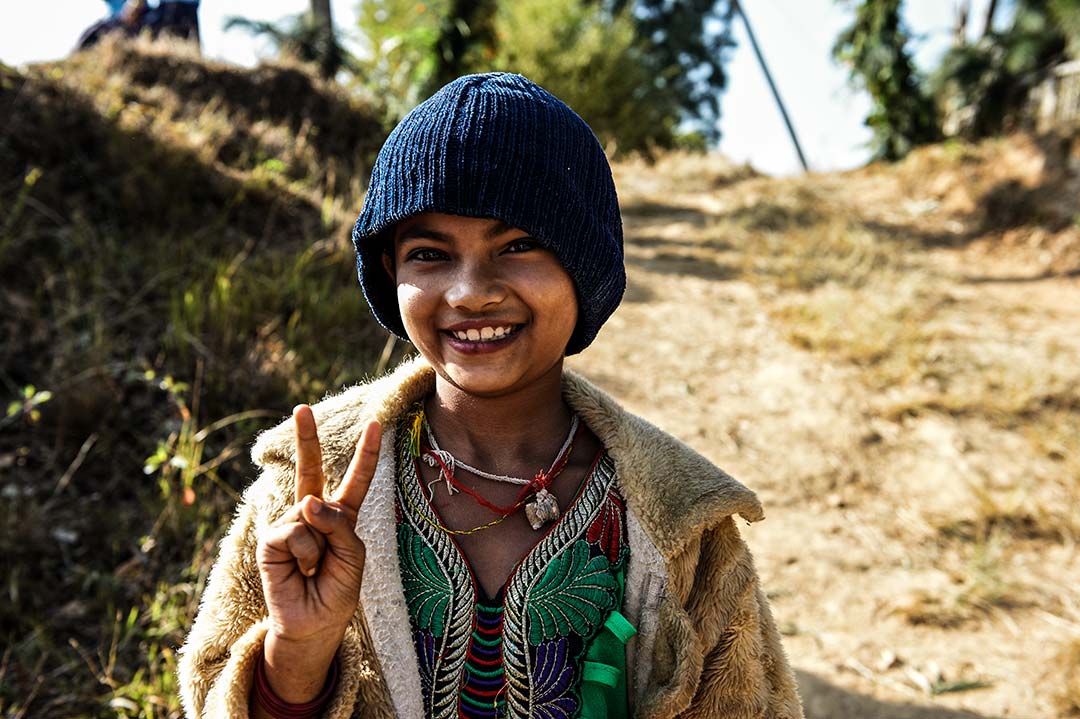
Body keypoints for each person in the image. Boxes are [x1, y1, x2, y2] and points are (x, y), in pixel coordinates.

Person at [178, 73, 804, 719]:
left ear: (584, 265)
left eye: (518, 245)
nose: (470, 291)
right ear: (390, 272)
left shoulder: (680, 520)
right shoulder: (312, 492)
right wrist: (300, 645)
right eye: (429, 253)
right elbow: (211, 696)